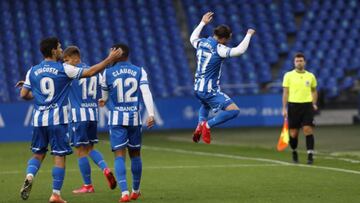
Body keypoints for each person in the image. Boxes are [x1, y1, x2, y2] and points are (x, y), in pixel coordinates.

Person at [16, 37, 122, 203]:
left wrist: (35, 92)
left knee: (38, 154)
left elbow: (24, 95)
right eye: (59, 47)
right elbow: (90, 72)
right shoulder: (64, 68)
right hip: (59, 121)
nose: (61, 50)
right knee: (59, 156)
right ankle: (55, 194)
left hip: (39, 121)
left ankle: (30, 175)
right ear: (53, 51)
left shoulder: (32, 70)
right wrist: (110, 59)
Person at [99, 43, 155, 202]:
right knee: (135, 154)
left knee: (119, 156)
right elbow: (146, 92)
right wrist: (150, 113)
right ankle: (135, 191)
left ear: (116, 53)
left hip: (117, 118)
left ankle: (124, 193)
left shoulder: (107, 73)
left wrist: (102, 101)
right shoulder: (139, 70)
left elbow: (104, 97)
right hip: (134, 118)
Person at [190, 12, 255, 144]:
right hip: (209, 90)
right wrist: (249, 34)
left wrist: (203, 22)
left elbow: (192, 38)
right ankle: (206, 126)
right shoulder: (219, 49)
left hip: (197, 88)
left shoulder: (201, 42)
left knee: (205, 104)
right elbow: (239, 50)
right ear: (224, 38)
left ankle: (200, 124)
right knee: (234, 111)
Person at [63, 46, 116, 194]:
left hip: (78, 116)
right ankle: (105, 169)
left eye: (67, 60)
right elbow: (106, 86)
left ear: (76, 58)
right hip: (92, 114)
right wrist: (104, 99)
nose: (65, 63)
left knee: (80, 151)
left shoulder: (70, 71)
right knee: (90, 148)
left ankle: (88, 186)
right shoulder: (95, 72)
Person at [282, 52, 318, 164]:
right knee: (293, 133)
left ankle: (310, 155)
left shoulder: (310, 76)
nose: (299, 62)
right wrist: (284, 108)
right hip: (293, 106)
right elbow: (285, 93)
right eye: (297, 61)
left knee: (307, 129)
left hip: (307, 106)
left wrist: (314, 103)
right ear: (294, 62)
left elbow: (314, 91)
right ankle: (294, 151)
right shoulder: (288, 75)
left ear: (305, 62)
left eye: (301, 60)